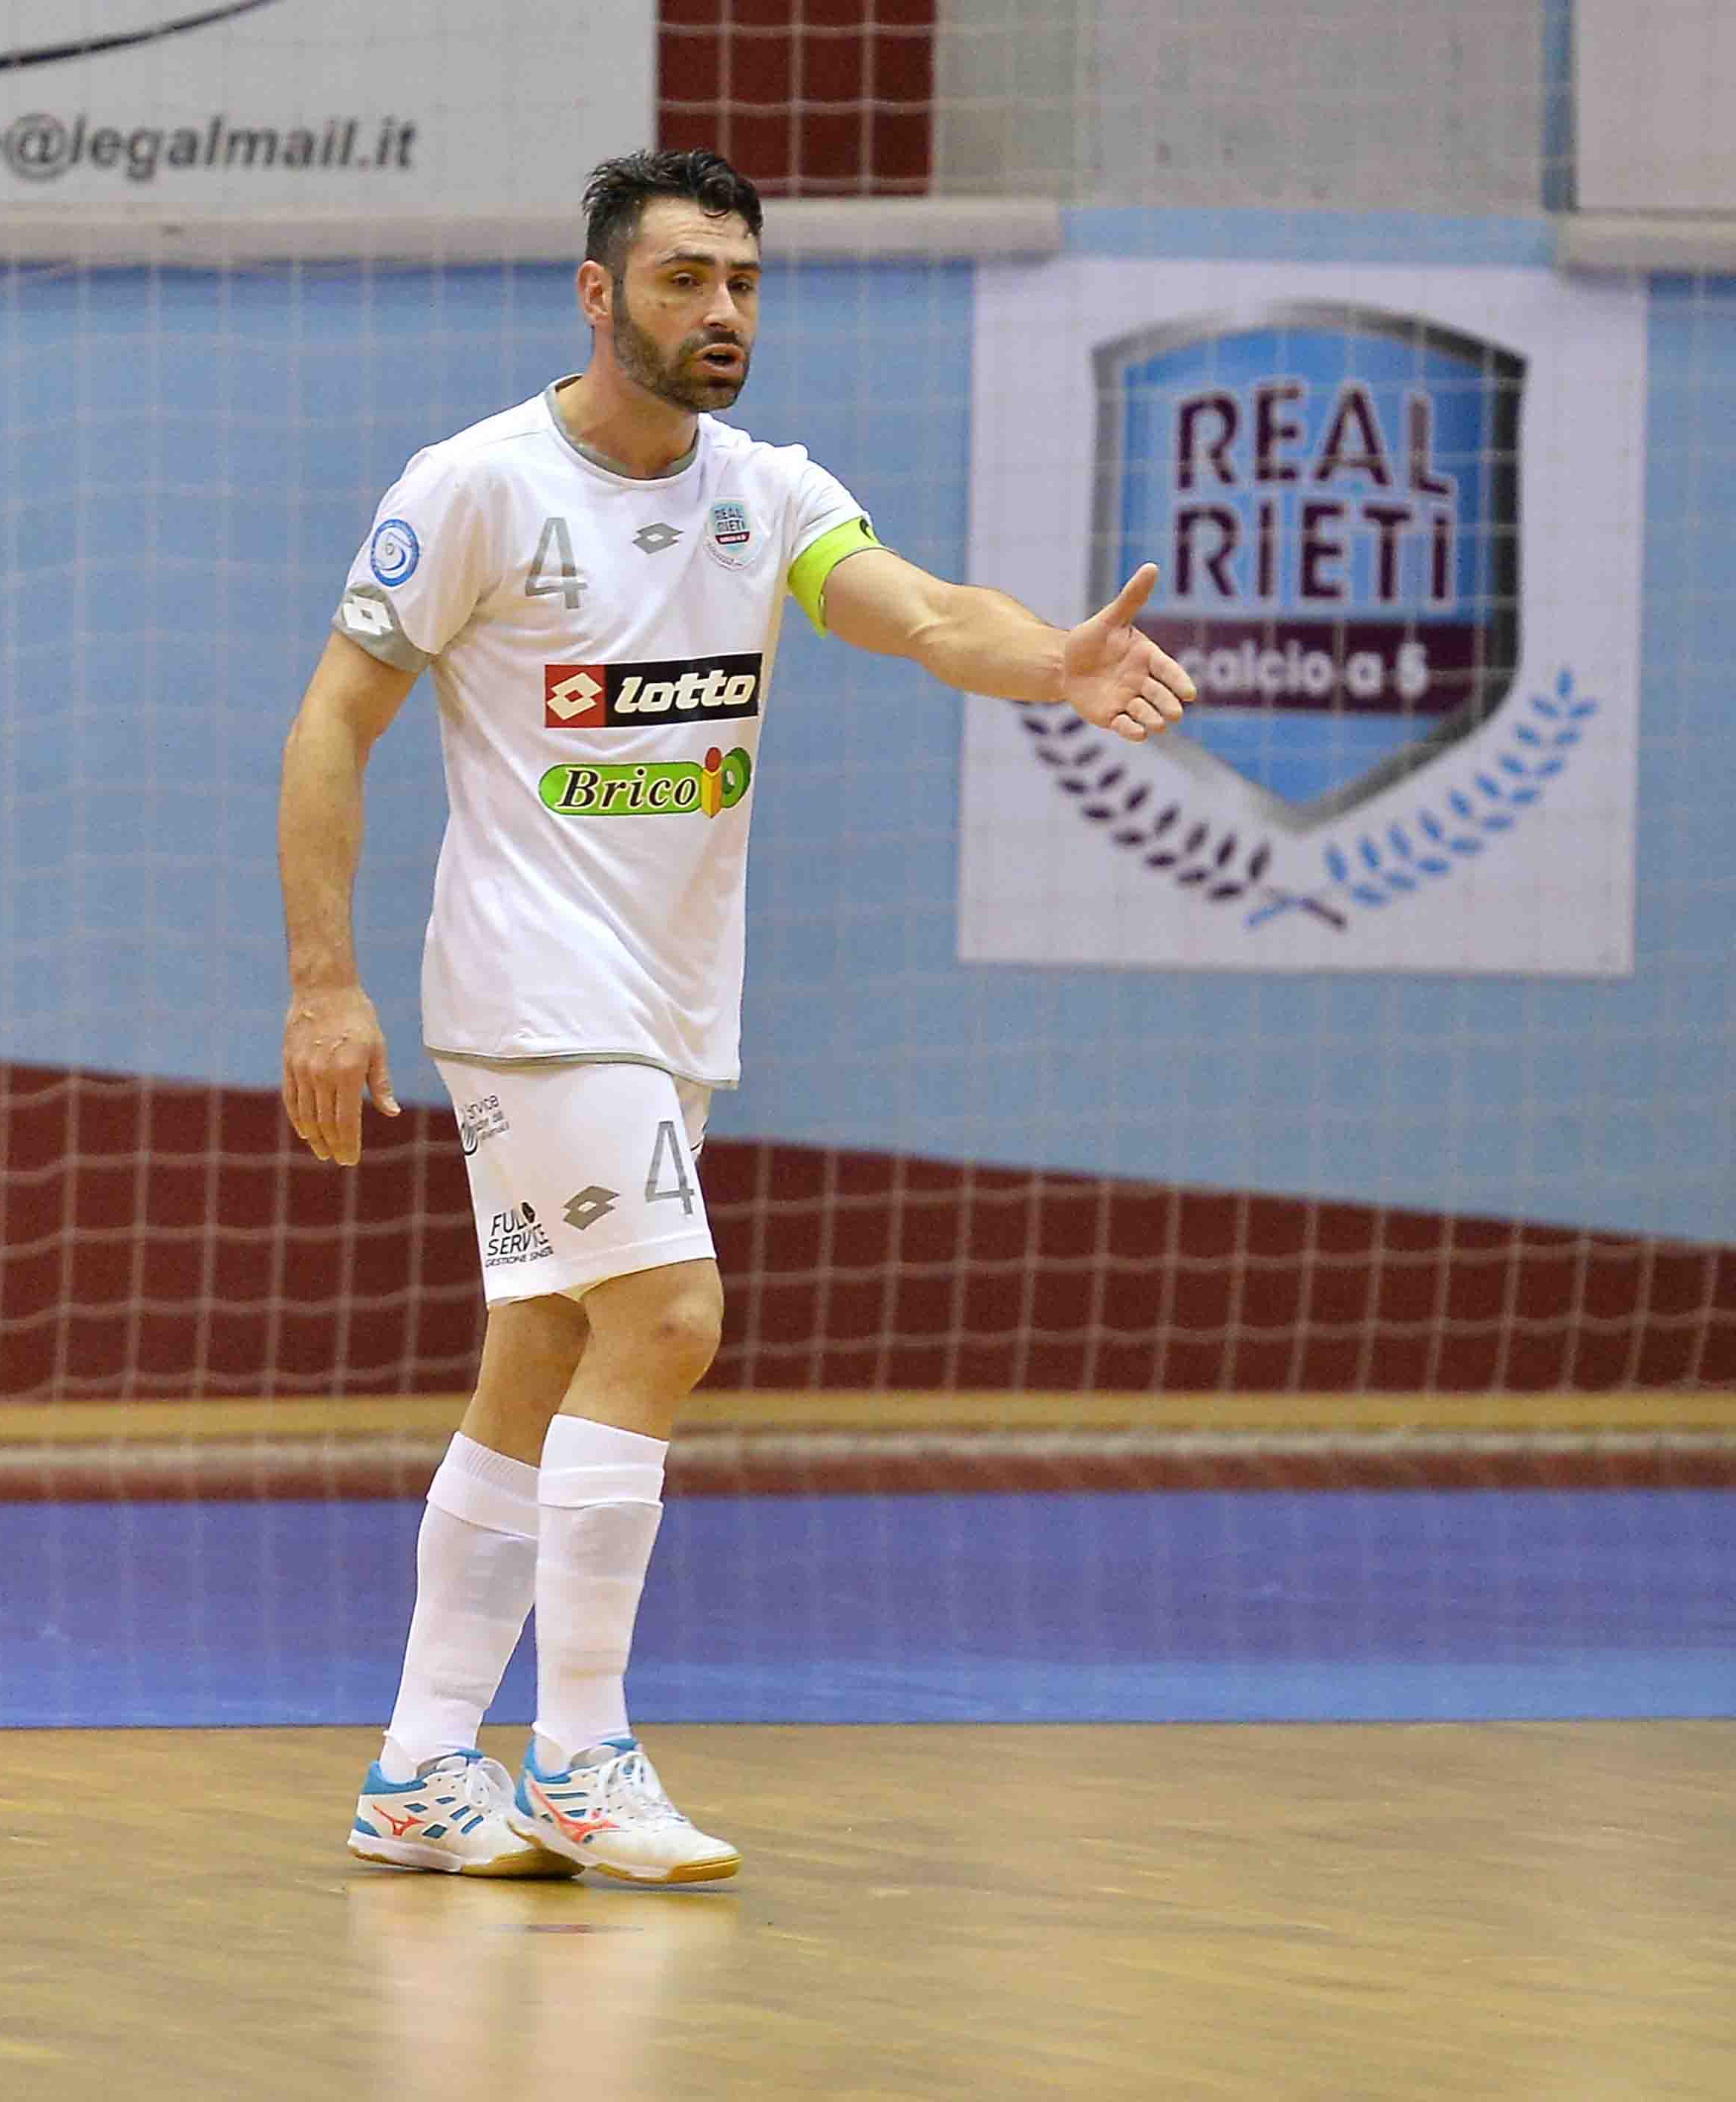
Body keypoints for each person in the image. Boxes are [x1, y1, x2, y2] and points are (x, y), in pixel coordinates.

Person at [278, 148, 1193, 1881]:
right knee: (671, 1315)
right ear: (597, 292)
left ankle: (416, 1769)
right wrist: (326, 986)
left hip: (669, 1004)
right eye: (685, 278)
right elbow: (334, 722)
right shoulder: (474, 487)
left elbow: (922, 612)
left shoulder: (766, 492)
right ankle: (580, 1757)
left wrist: (1047, 661)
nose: (722, 312)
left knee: (546, 1350)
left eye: (744, 283)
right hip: (534, 992)